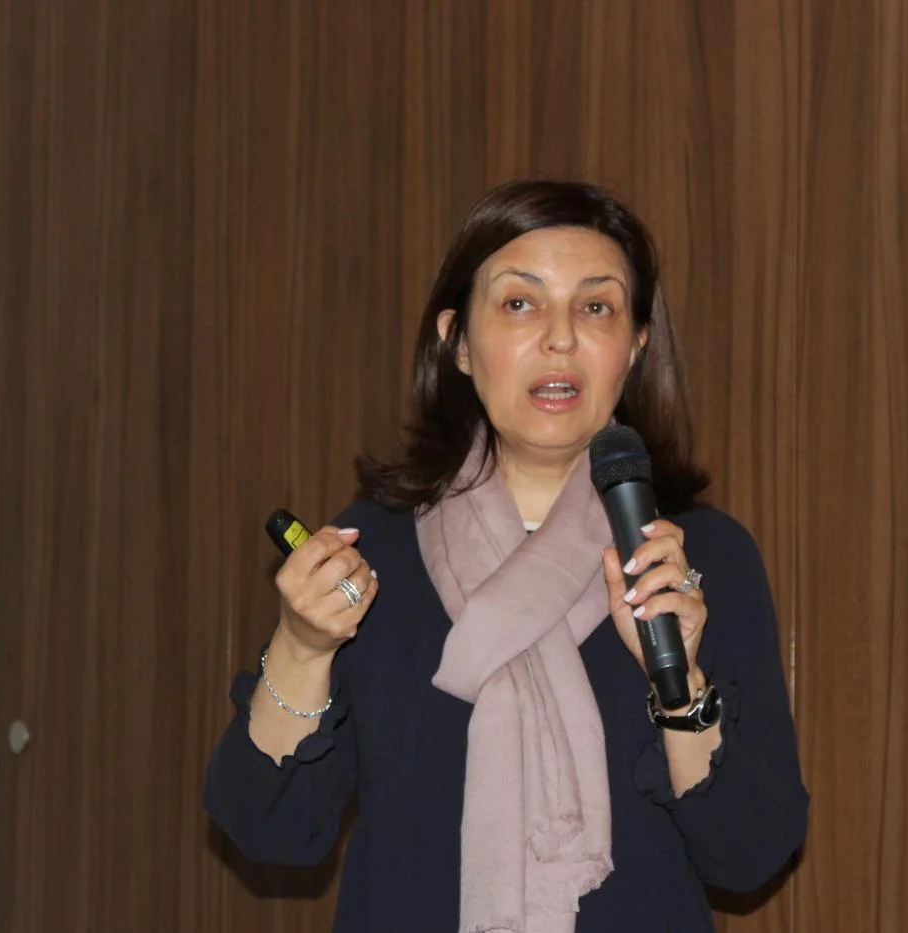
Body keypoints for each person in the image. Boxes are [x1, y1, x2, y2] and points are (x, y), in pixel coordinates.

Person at [203, 179, 809, 932]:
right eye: (520, 303)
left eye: (597, 307)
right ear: (457, 340)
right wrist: (302, 645)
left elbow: (750, 855)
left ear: (636, 346)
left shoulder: (698, 556)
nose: (560, 338)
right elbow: (268, 829)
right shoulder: (373, 549)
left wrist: (681, 684)